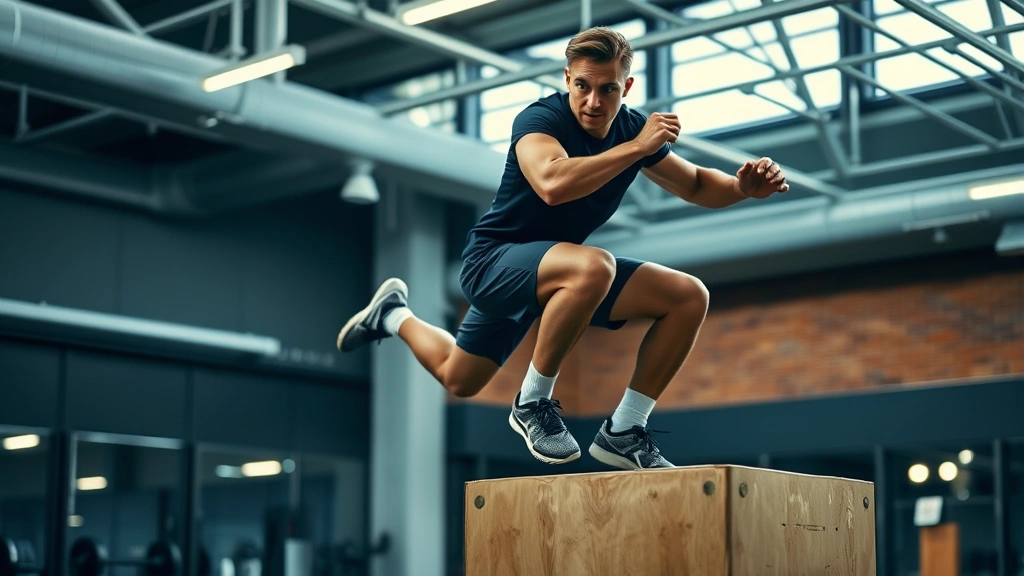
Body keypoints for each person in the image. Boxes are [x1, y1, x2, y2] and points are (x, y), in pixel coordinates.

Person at [336, 26, 788, 471]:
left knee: (686, 296)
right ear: (567, 78)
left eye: (608, 89)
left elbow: (695, 184)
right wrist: (636, 148)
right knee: (590, 269)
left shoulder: (631, 129)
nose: (593, 101)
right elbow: (552, 184)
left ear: (627, 86)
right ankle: (531, 403)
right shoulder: (540, 120)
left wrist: (742, 188)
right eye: (582, 86)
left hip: (559, 278)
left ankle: (624, 430)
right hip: (494, 265)